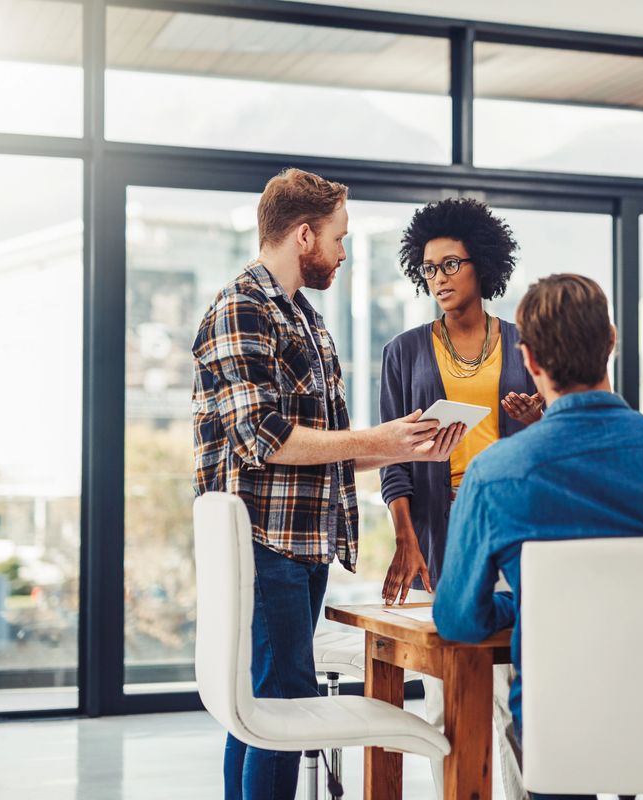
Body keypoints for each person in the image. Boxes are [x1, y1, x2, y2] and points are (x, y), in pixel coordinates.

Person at [192, 168, 464, 800]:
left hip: (301, 546)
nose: (344, 253)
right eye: (339, 239)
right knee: (282, 706)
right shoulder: (241, 307)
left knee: (261, 705)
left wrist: (410, 447)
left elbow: (321, 453)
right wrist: (381, 440)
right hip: (266, 543)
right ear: (305, 235)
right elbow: (269, 438)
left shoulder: (305, 320)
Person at [433, 273, 643, 800]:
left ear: (531, 361)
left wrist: (529, 605)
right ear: (610, 340)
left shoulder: (497, 474)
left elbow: (457, 619)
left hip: (562, 735)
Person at [379, 197, 542, 799]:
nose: (439, 278)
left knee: (512, 692)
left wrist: (529, 422)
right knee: (445, 696)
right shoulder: (403, 352)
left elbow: (541, 446)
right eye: (429, 268)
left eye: (451, 264)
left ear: (483, 266)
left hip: (509, 527)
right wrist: (406, 536)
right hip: (439, 532)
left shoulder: (524, 344)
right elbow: (394, 458)